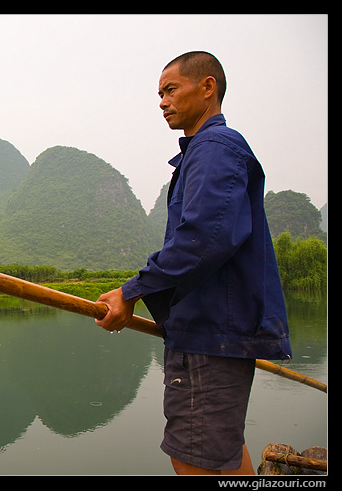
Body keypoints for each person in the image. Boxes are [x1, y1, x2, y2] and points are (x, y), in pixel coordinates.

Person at [95, 51, 292, 475]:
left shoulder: (215, 148)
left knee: (194, 458)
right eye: (159, 94)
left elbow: (203, 239)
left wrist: (131, 291)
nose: (162, 102)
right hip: (211, 333)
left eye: (170, 90)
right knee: (220, 450)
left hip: (208, 336)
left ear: (208, 87)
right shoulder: (206, 152)